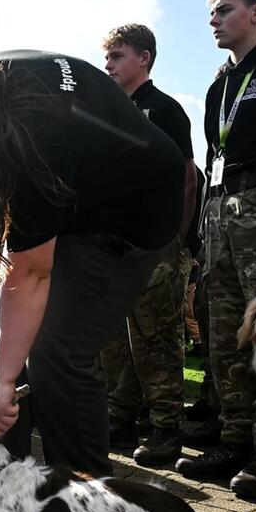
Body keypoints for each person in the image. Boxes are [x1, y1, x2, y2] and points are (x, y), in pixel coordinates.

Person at [0, 39, 185, 477]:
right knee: (1, 326)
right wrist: (5, 374)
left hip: (131, 222)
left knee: (56, 353)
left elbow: (30, 274)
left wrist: (8, 383)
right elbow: (19, 275)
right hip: (84, 205)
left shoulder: (25, 135)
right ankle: (0, 477)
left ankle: (84, 494)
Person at [174, 0, 256, 499]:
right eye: (211, 12)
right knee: (224, 336)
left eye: (224, 10)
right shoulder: (219, 83)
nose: (213, 20)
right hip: (219, 210)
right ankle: (235, 438)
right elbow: (208, 157)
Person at [99, 23, 196, 468]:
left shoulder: (165, 110)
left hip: (156, 247)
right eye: (107, 58)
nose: (108, 65)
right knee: (115, 340)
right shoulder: (107, 111)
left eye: (117, 56)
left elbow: (187, 177)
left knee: (157, 342)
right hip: (114, 247)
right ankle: (120, 419)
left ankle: (165, 429)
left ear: (145, 58)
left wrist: (175, 238)